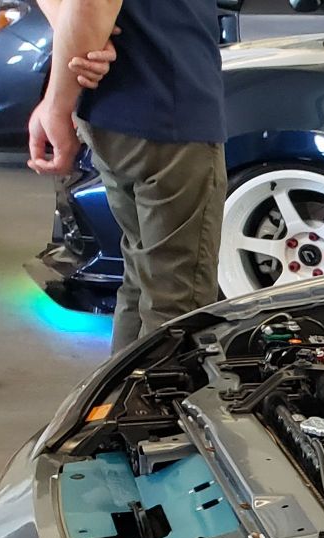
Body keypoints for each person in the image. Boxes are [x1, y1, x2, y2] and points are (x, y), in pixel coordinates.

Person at [27, 0, 224, 352]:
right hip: (167, 106)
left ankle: (122, 390)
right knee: (177, 302)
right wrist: (58, 100)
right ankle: (162, 389)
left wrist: (81, 38)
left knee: (143, 279)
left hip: (120, 109)